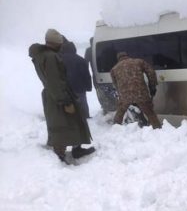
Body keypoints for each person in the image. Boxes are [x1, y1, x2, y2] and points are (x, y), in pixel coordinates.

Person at [28, 29, 95, 163]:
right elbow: (55, 81)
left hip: (54, 95)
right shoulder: (51, 57)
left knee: (71, 122)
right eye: (59, 43)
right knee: (62, 125)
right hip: (58, 96)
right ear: (55, 43)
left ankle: (76, 149)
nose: (61, 46)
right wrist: (65, 102)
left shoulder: (42, 55)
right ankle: (60, 155)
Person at [110, 52, 161, 129]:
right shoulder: (138, 62)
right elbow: (151, 72)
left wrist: (122, 94)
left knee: (120, 113)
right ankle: (158, 129)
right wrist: (152, 87)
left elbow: (115, 84)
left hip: (125, 96)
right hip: (140, 93)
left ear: (118, 58)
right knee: (150, 113)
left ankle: (115, 129)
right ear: (127, 56)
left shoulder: (114, 69)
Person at [61, 41, 92, 118]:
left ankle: (70, 118)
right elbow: (86, 75)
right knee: (82, 103)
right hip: (80, 88)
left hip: (66, 88)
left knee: (68, 104)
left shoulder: (59, 60)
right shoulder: (81, 60)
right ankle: (85, 117)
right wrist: (88, 87)